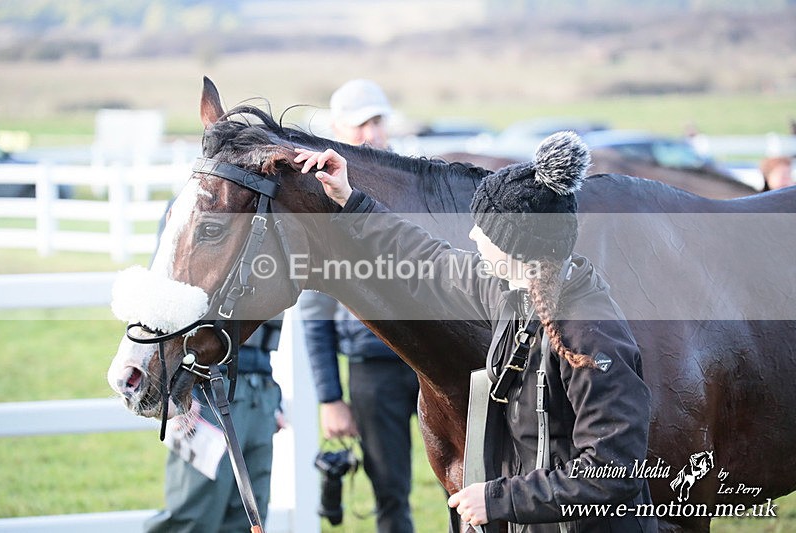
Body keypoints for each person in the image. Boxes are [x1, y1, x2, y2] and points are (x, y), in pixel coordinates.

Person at [294, 131, 657, 532]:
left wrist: (498, 499)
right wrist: (350, 198)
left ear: (517, 245)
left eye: (483, 227)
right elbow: (425, 259)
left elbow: (615, 470)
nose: (471, 235)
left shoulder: (593, 336)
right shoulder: (511, 290)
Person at [299, 79, 420, 533]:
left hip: (434, 357)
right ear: (336, 130)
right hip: (374, 367)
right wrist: (331, 397)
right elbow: (315, 315)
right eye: (360, 125)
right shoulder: (319, 206)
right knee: (390, 492)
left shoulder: (414, 186)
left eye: (377, 121)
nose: (371, 134)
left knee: (465, 484)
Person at [144, 201, 285, 533]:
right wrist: (174, 392)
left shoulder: (271, 214)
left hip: (257, 388)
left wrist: (266, 395)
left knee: (248, 519)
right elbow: (161, 304)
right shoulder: (190, 211)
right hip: (204, 389)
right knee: (192, 519)